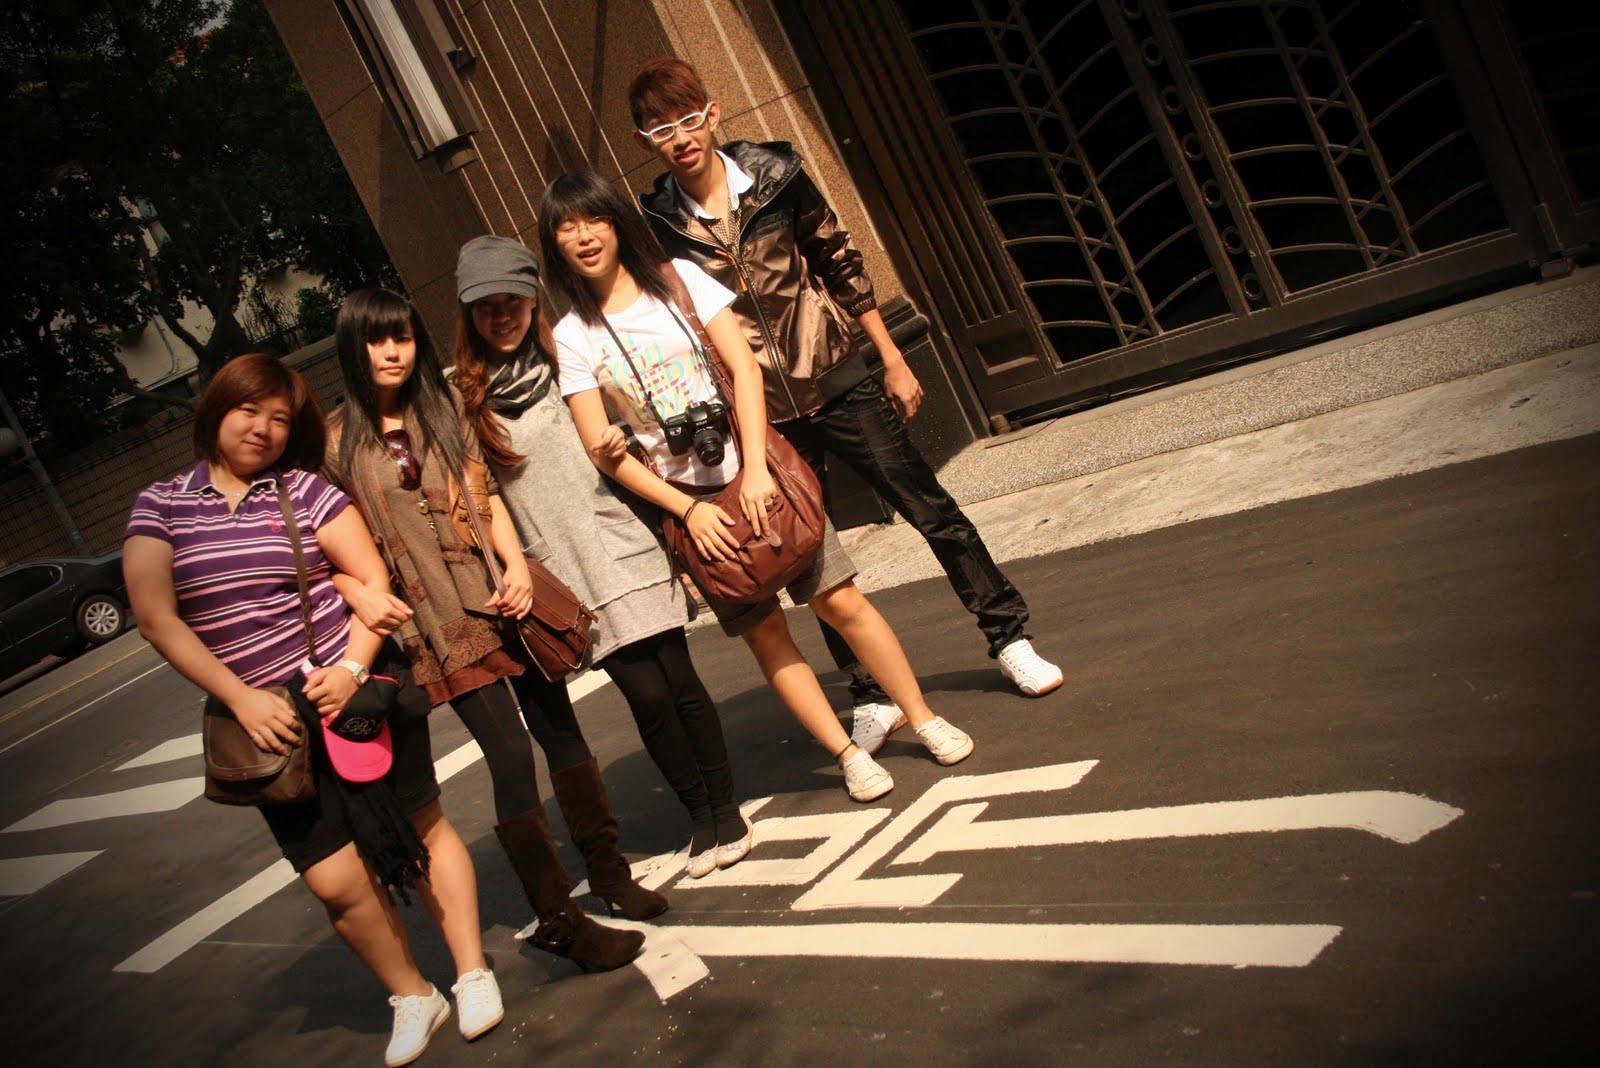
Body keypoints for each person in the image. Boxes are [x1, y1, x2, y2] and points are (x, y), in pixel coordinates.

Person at [628, 57, 1064, 757]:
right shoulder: (657, 224)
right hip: (761, 412)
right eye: (659, 129)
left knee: (929, 508)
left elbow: (839, 262)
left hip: (835, 375)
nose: (678, 138)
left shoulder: (776, 175)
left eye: (686, 120)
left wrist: (889, 356)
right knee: (810, 555)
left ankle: (1009, 636)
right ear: (645, 141)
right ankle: (869, 694)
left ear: (711, 115)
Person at [537, 170, 975, 803]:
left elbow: (744, 368)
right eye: (566, 228)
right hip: (694, 509)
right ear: (554, 245)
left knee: (841, 601)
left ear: (616, 223)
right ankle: (847, 754)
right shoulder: (573, 336)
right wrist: (687, 511)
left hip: (760, 473)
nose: (583, 237)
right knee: (766, 634)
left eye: (593, 219)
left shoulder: (679, 281)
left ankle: (924, 718)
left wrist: (758, 469)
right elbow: (603, 452)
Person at [123, 353, 501, 1068]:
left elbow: (370, 577)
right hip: (262, 716)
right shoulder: (162, 504)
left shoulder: (303, 491)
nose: (262, 429)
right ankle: (412, 994)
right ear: (216, 410)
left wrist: (351, 668)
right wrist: (240, 698)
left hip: (351, 689)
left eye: (279, 419)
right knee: (331, 876)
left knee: (421, 823)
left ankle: (472, 971)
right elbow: (155, 616)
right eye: (249, 411)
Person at [324, 289, 658, 977]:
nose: (392, 352)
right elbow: (328, 547)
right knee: (508, 755)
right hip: (436, 621)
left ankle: (610, 873)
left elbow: (487, 495)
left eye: (402, 337)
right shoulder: (335, 444)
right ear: (353, 349)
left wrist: (516, 566)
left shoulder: (442, 406)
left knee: (561, 731)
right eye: (376, 340)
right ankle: (559, 919)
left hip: (503, 597)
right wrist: (355, 589)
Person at [449, 234, 749, 878]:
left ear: (533, 300)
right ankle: (699, 815)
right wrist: (516, 562)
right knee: (645, 695)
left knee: (679, 681)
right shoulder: (463, 399)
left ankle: (727, 810)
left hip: (623, 536)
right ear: (468, 315)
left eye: (512, 302)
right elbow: (481, 494)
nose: (501, 317)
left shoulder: (571, 353)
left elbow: (641, 418)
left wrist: (625, 440)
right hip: (563, 563)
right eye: (486, 307)